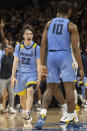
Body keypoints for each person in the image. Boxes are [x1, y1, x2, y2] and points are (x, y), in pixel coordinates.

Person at [35, 1, 84, 129]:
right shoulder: (71, 26)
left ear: (58, 11)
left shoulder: (49, 23)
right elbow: (75, 49)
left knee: (50, 88)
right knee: (69, 88)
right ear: (69, 11)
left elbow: (43, 45)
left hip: (51, 56)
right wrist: (81, 68)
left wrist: (41, 64)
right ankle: (72, 117)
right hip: (64, 56)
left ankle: (42, 115)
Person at [11, 24, 41, 122]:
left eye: (31, 34)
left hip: (31, 73)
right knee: (22, 98)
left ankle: (27, 111)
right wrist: (12, 77)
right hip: (20, 74)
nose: (29, 35)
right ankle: (27, 113)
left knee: (30, 91)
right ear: (23, 36)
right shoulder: (18, 47)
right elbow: (15, 61)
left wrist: (39, 78)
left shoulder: (36, 47)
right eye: (27, 34)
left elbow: (38, 64)